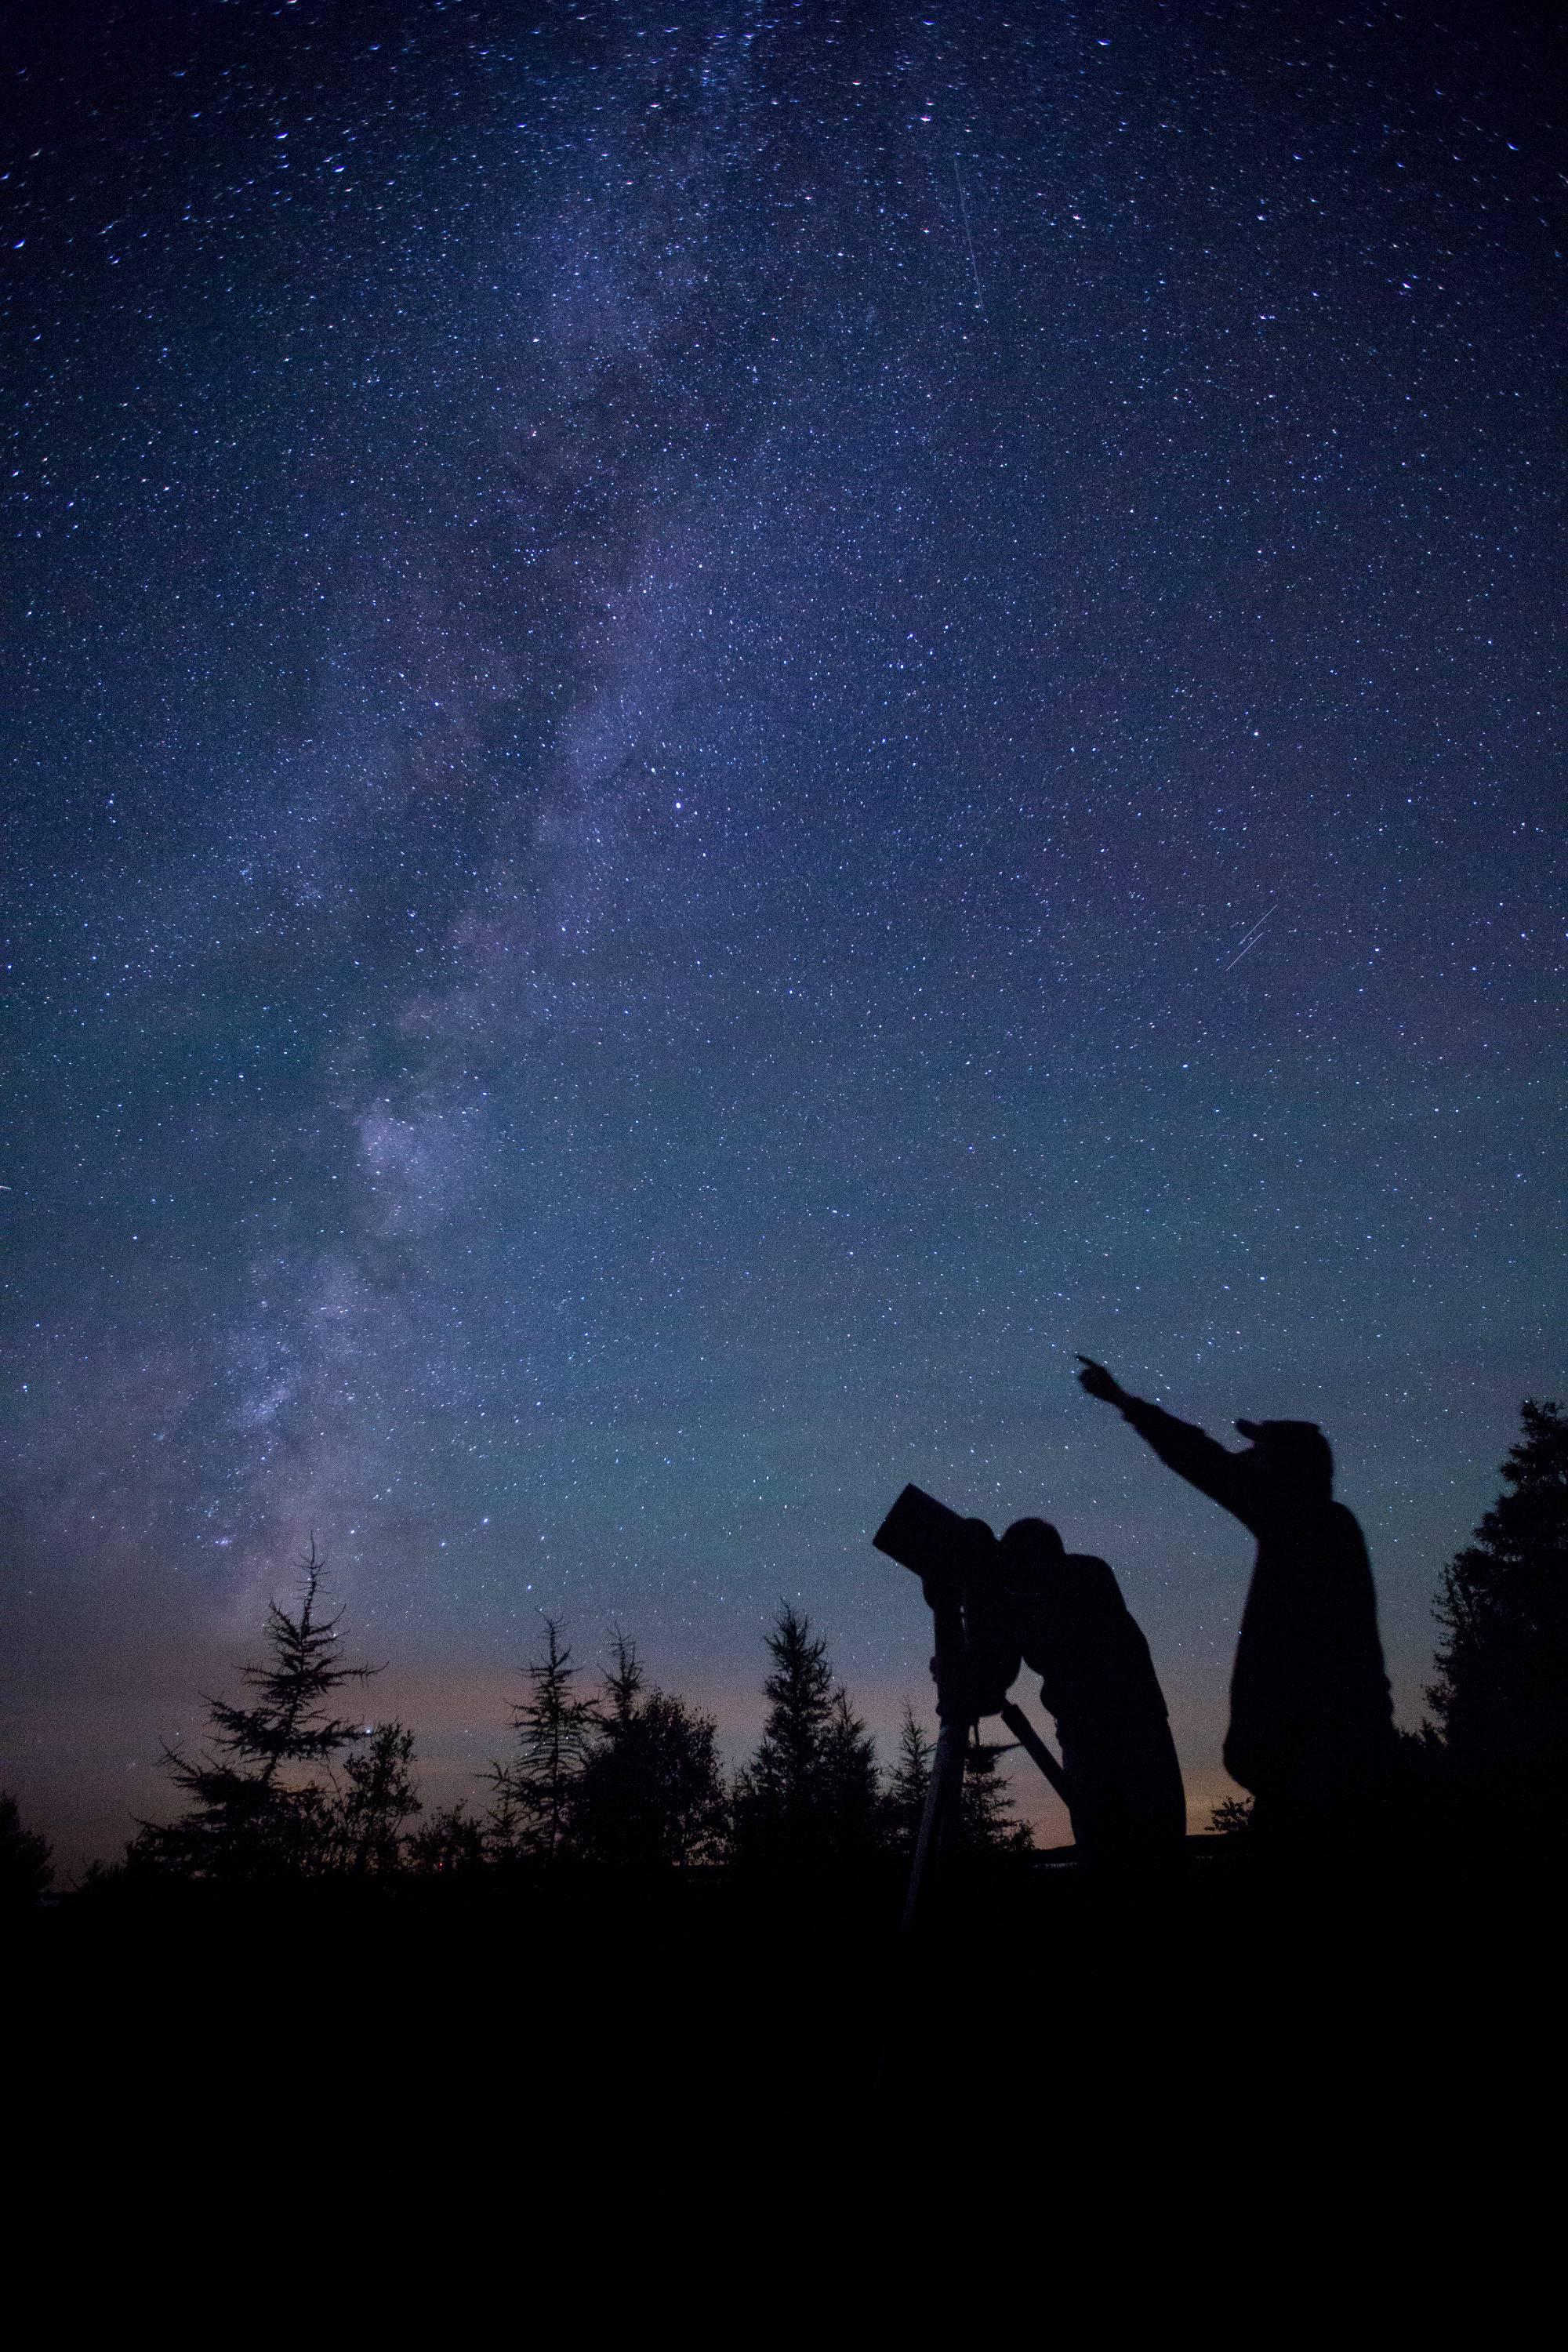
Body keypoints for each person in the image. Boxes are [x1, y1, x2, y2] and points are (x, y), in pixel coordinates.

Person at [1076, 1357, 1396, 1846]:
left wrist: (1123, 1401)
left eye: (1258, 1450)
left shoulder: (1304, 1524)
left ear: (1286, 1470)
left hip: (1316, 1768)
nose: (1245, 1456)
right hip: (1327, 1761)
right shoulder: (1321, 1527)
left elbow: (1203, 1459)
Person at [995, 1517, 1188, 1867]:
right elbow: (1003, 1665)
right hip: (1086, 1733)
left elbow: (1069, 1643)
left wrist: (1005, 1600)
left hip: (1133, 1730)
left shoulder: (1087, 1576)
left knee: (1152, 1847)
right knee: (1101, 1852)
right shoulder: (1027, 1597)